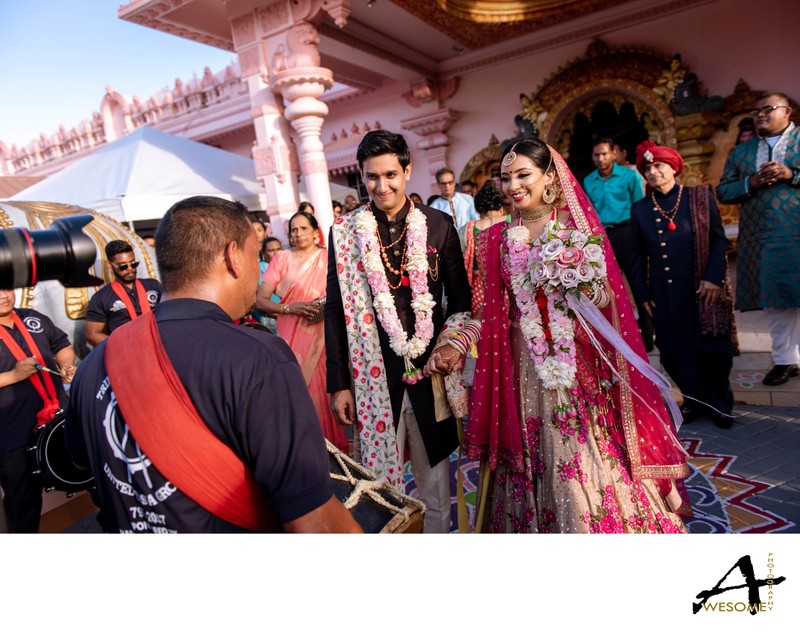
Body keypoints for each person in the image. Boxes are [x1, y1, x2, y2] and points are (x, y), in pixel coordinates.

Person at [65, 196, 361, 533]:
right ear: (232, 256)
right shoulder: (260, 359)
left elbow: (79, 460)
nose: (258, 268)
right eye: (255, 254)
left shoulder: (96, 363)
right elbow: (315, 523)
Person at [465, 137, 690, 533]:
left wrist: (582, 285)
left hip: (578, 358)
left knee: (589, 445)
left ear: (549, 177)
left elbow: (607, 296)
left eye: (523, 175)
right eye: (506, 178)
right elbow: (489, 308)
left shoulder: (575, 227)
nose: (514, 185)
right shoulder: (496, 238)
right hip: (522, 360)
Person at [326, 130, 473, 533]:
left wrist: (452, 348)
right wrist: (339, 384)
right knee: (380, 491)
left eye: (391, 174)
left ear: (407, 171)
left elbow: (461, 300)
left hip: (431, 374)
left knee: (435, 489)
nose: (381, 185)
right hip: (372, 379)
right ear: (361, 176)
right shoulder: (345, 232)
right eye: (371, 177)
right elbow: (336, 310)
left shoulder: (439, 225)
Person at [629, 141, 736, 429]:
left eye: (659, 165)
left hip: (703, 290)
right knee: (674, 352)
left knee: (714, 352)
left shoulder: (699, 197)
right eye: (647, 169)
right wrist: (642, 294)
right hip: (665, 293)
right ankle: (693, 401)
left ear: (674, 167)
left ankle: (720, 404)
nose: (653, 172)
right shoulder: (641, 209)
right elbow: (636, 256)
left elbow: (718, 239)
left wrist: (714, 278)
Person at [718, 92, 800, 386]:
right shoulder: (742, 152)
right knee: (778, 301)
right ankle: (785, 360)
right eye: (757, 110)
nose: (760, 114)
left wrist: (792, 173)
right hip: (764, 237)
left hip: (797, 230)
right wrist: (750, 182)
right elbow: (724, 191)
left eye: (768, 108)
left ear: (787, 111)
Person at [256, 211, 347, 451]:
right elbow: (261, 301)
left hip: (327, 335)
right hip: (292, 335)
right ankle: (308, 448)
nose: (298, 234)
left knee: (329, 387)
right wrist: (289, 308)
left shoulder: (329, 258)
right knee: (301, 391)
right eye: (294, 230)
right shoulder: (282, 259)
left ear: (315, 232)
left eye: (303, 228)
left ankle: (336, 451)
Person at [1, 288, 76, 532]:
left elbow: (61, 344)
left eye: (6, 288)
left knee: (88, 476)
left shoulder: (32, 317)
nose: (3, 295)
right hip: (14, 434)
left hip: (60, 420)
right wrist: (14, 375)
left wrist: (66, 365)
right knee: (23, 503)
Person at [583, 137, 651, 350]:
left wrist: (642, 237)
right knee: (609, 288)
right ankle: (620, 337)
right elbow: (590, 213)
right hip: (603, 237)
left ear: (614, 154)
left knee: (638, 283)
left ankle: (648, 336)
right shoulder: (588, 181)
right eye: (596, 154)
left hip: (628, 232)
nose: (600, 158)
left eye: (604, 153)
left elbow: (639, 206)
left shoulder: (629, 176)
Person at [85, 240, 163, 346]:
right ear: (109, 265)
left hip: (157, 345)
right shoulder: (101, 298)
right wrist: (121, 345)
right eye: (123, 266)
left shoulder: (153, 285)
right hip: (126, 352)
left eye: (133, 264)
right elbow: (92, 335)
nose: (130, 269)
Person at [458, 180, 508, 317]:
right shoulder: (511, 223)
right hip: (509, 290)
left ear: (478, 209)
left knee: (481, 330)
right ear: (500, 207)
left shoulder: (468, 229)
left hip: (478, 292)